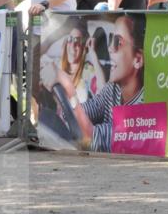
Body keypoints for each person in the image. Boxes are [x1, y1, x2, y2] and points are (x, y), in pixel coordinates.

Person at [47, 13, 145, 153]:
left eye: (118, 42)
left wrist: (68, 89)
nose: (110, 48)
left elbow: (91, 138)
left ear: (138, 60)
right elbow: (88, 110)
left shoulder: (143, 105)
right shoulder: (113, 89)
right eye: (110, 39)